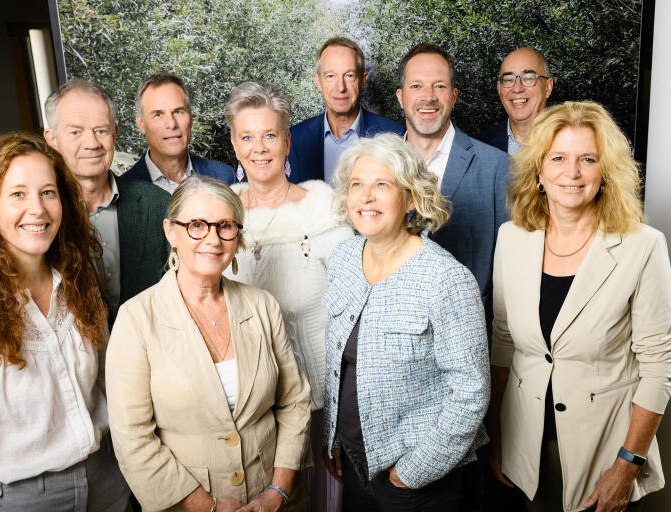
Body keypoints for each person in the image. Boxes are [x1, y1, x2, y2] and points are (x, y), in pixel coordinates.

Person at [0, 132, 129, 511]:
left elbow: (106, 385)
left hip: (107, 478)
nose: (38, 209)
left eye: (48, 192)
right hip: (26, 497)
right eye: (18, 194)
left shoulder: (79, 284)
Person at [490, 101, 671, 512]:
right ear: (538, 170)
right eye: (558, 158)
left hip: (606, 451)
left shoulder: (643, 246)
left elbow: (659, 364)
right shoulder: (511, 238)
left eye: (587, 159)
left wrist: (628, 464)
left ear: (605, 171)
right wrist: (497, 435)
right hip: (525, 444)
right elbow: (503, 340)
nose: (571, 173)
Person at [106, 175, 312, 512]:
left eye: (225, 226)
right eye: (197, 225)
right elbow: (132, 437)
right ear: (171, 231)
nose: (213, 239)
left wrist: (277, 492)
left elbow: (294, 402)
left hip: (273, 501)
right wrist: (206, 505)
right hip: (188, 503)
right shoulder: (136, 319)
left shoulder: (262, 305)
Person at [322, 133, 490, 511]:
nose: (366, 197)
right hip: (353, 464)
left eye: (382, 185)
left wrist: (409, 474)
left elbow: (471, 394)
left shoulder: (446, 279)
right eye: (357, 185)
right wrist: (333, 439)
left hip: (416, 482)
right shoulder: (344, 258)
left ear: (411, 197)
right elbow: (338, 364)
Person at [224, 81, 354, 512]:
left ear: (286, 140)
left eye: (269, 135)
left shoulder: (322, 208)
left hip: (318, 400)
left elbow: (352, 313)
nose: (258, 148)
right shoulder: (219, 214)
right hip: (245, 407)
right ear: (234, 144)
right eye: (247, 137)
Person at [395, 43, 508, 334]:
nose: (428, 97)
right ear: (401, 97)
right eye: (417, 85)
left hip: (469, 337)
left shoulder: (498, 168)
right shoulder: (377, 166)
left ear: (454, 96)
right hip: (391, 344)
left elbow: (510, 276)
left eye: (439, 86)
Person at [43, 78, 170, 323]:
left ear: (115, 133)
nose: (91, 143)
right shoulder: (39, 218)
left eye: (101, 130)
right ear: (52, 139)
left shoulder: (159, 205)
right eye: (75, 132)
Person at [288, 37, 404, 184]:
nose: (341, 87)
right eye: (331, 76)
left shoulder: (395, 136)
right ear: (318, 82)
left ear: (362, 80)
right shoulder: (294, 139)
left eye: (349, 76)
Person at [122, 73, 236, 191]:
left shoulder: (224, 177)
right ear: (141, 123)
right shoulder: (124, 192)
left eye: (177, 112)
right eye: (158, 115)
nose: (171, 124)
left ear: (190, 117)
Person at [478, 48, 554, 155]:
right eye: (509, 79)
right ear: (499, 89)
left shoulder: (572, 140)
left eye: (528, 78)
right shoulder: (482, 147)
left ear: (548, 87)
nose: (517, 89)